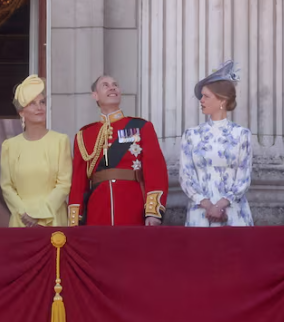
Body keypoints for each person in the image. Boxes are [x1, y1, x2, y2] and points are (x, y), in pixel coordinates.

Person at [68, 74, 168, 226]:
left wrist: (153, 212)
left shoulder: (141, 127)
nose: (112, 87)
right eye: (105, 85)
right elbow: (78, 183)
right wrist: (75, 222)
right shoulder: (84, 135)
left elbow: (155, 171)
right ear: (95, 95)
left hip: (133, 206)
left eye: (115, 84)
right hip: (98, 210)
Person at [179, 60, 253, 227]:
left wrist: (221, 205)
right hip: (200, 213)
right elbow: (186, 176)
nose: (201, 100)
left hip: (233, 212)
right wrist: (208, 205)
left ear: (222, 100)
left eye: (206, 96)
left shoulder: (241, 134)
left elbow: (243, 177)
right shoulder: (191, 135)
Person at [0, 75, 72, 227]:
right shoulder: (9, 146)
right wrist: (23, 212)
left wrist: (41, 213)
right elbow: (7, 186)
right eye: (32, 103)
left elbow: (64, 184)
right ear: (21, 112)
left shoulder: (60, 141)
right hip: (21, 220)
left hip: (53, 219)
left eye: (42, 102)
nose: (39, 107)